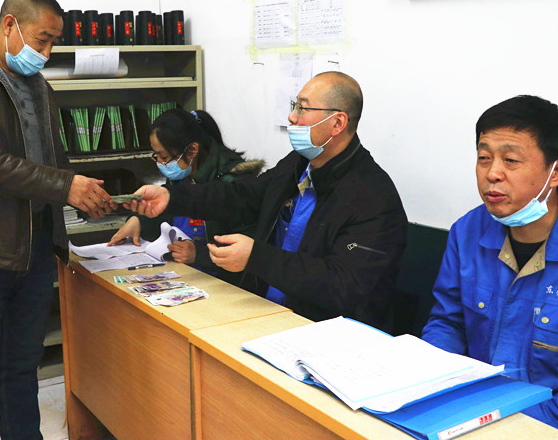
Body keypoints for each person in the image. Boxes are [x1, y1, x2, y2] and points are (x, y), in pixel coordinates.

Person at [0, 0, 115, 440]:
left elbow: (52, 162)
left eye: (53, 43)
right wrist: (64, 186)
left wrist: (87, 197)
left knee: (21, 371)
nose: (46, 53)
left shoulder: (38, 86)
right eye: (41, 39)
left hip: (33, 254)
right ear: (9, 25)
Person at [126, 72, 408, 331]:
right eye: (294, 106)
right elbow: (243, 195)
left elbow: (343, 286)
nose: (292, 117)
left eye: (303, 108)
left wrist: (256, 257)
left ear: (337, 123)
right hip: (266, 310)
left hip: (325, 331)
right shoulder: (298, 164)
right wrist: (171, 197)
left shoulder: (373, 196)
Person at [422, 95, 558, 427]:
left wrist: (499, 420)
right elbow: (448, 323)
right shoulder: (468, 231)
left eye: (510, 160)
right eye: (484, 158)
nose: (492, 173)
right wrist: (429, 383)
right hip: (467, 412)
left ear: (554, 173)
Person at [108, 108, 264, 284]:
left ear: (192, 150)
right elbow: (166, 214)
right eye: (156, 155)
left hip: (223, 281)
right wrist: (138, 221)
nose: (161, 163)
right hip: (183, 272)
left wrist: (199, 254)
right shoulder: (182, 173)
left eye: (164, 157)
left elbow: (247, 249)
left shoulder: (235, 184)